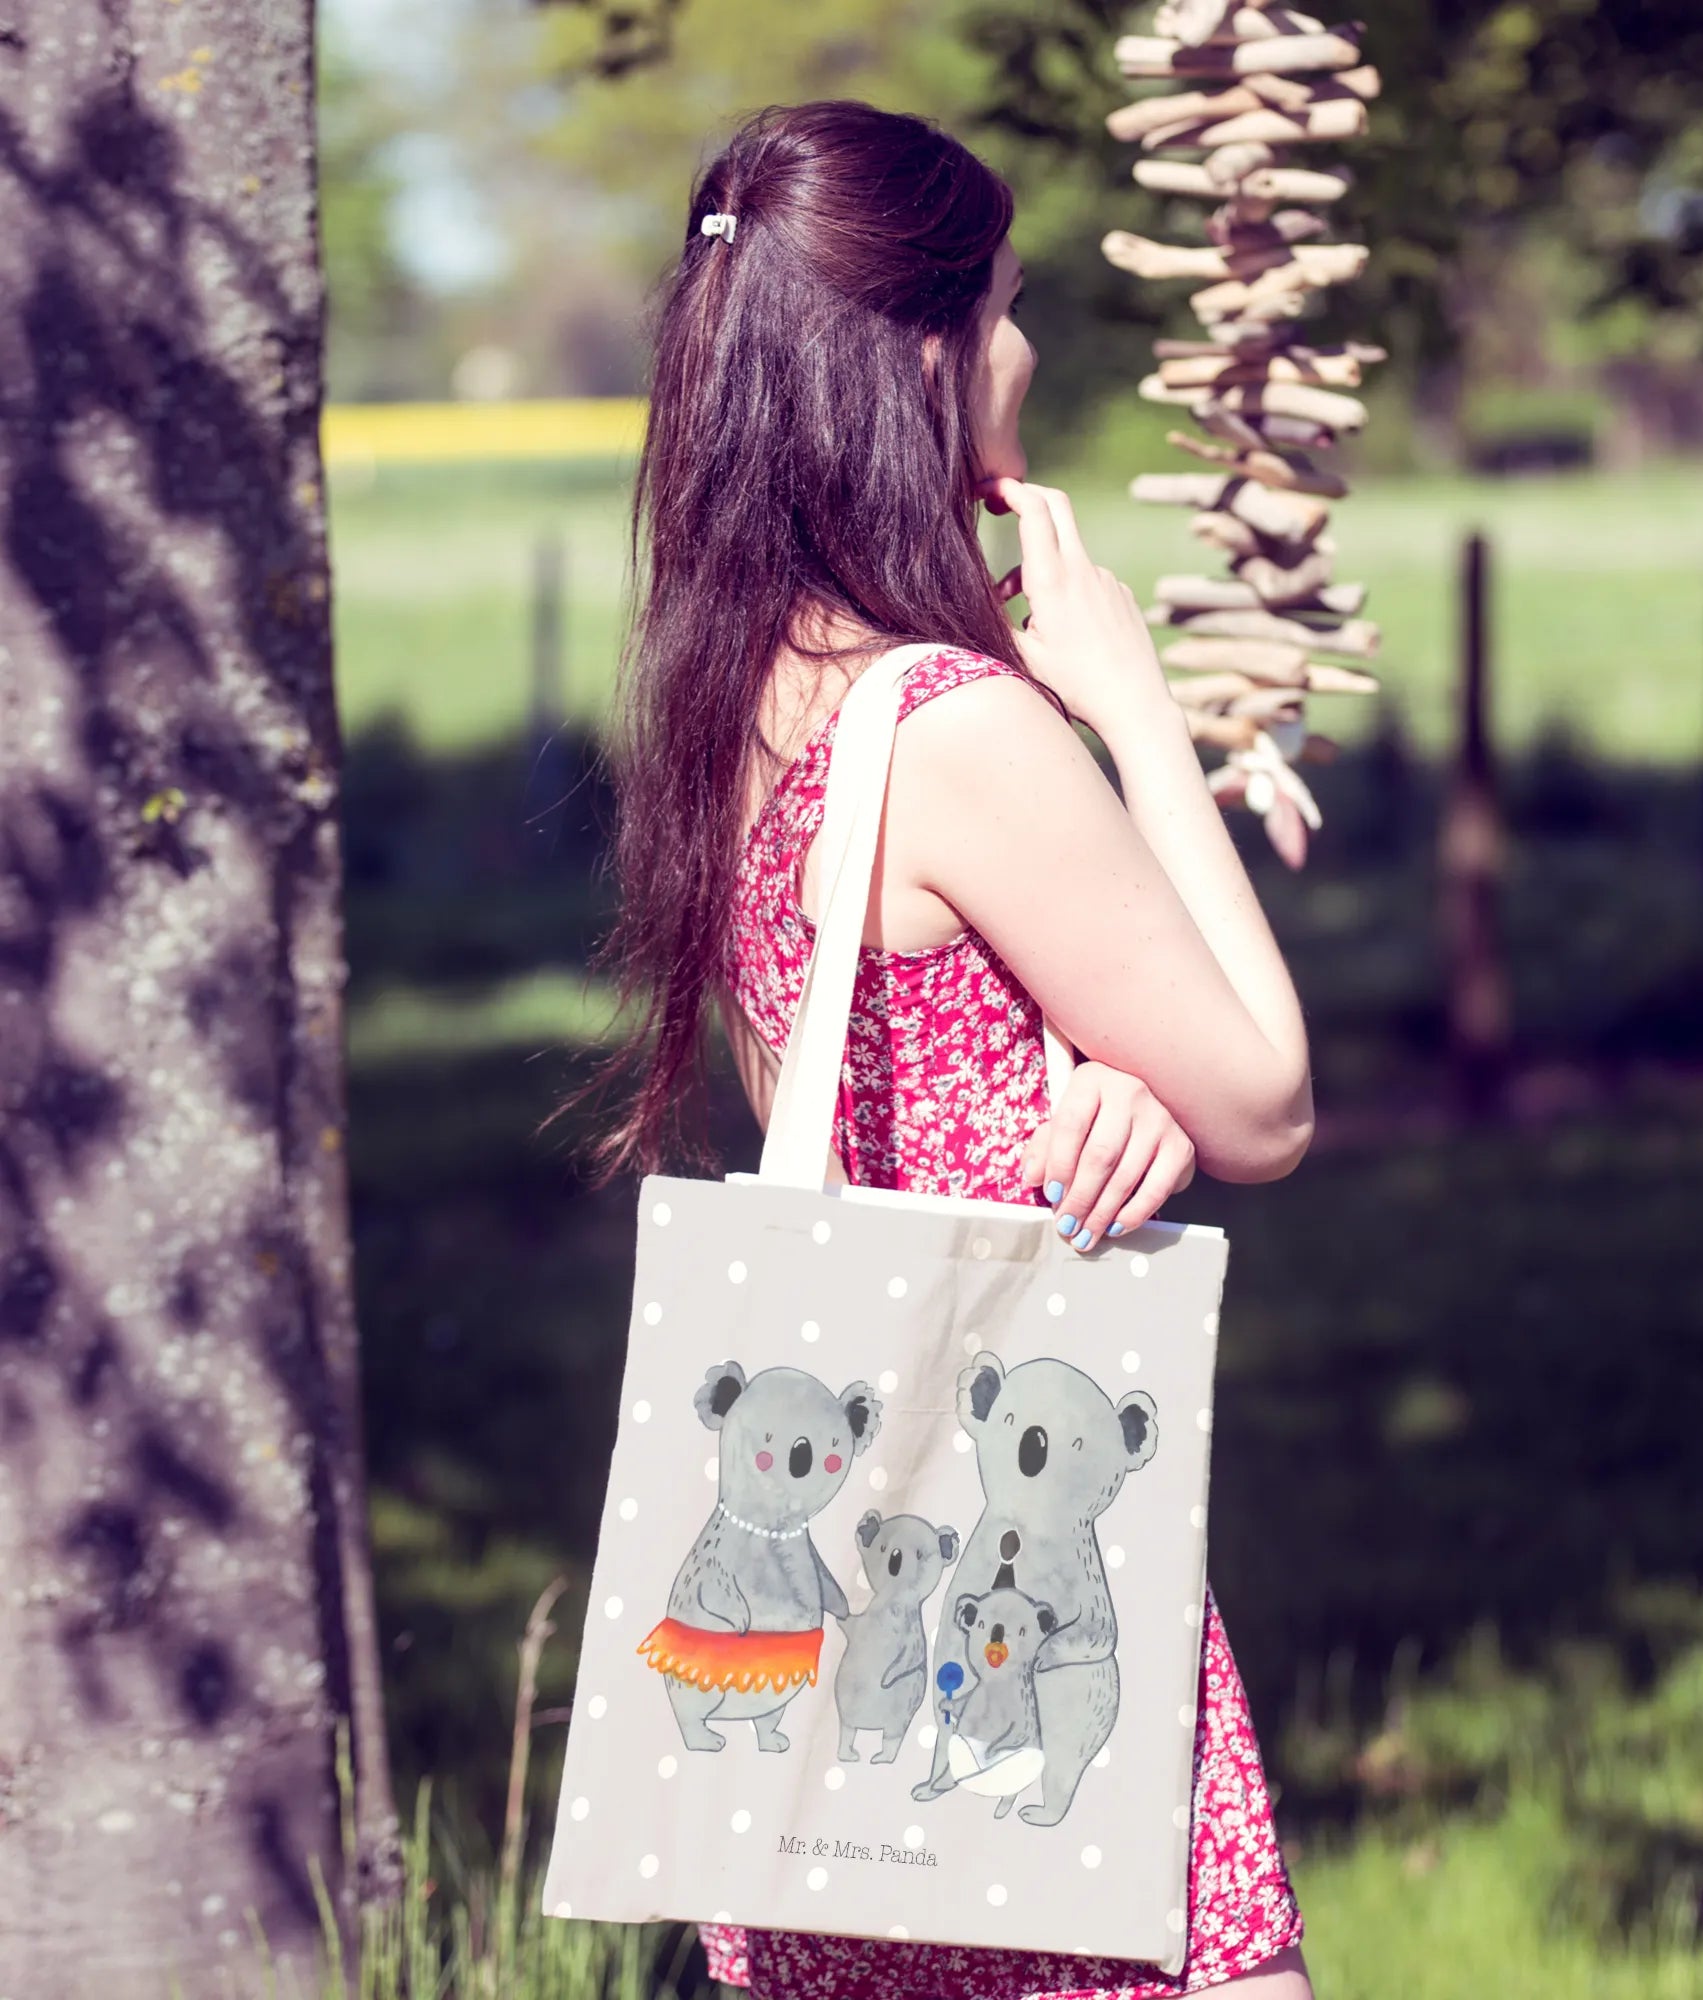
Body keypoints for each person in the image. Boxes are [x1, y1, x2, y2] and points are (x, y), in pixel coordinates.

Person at [567, 97, 1317, 2000]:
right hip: (1018, 1580)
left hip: (839, 1677)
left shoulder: (739, 697)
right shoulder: (960, 729)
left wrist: (1093, 1069)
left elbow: (852, 1084)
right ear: (920, 353)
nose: (1026, 350)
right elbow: (1266, 1100)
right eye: (1005, 306)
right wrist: (1137, 715)